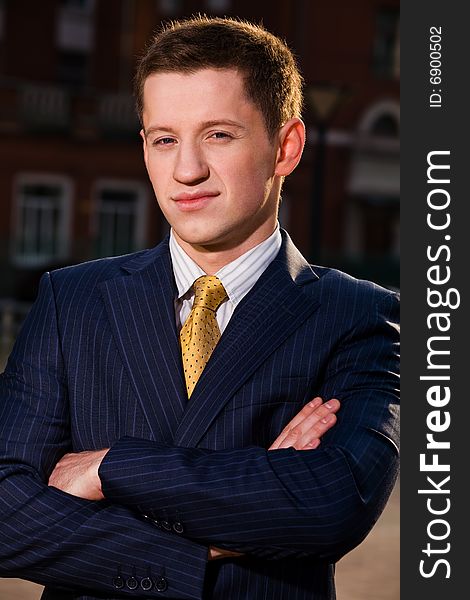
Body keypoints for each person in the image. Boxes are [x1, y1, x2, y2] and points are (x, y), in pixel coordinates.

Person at [0, 16, 399, 600]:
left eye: (218, 134)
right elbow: (7, 516)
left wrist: (110, 469)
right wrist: (239, 514)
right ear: (143, 146)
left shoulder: (357, 315)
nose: (186, 170)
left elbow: (332, 504)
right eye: (165, 139)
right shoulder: (73, 301)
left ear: (285, 147)